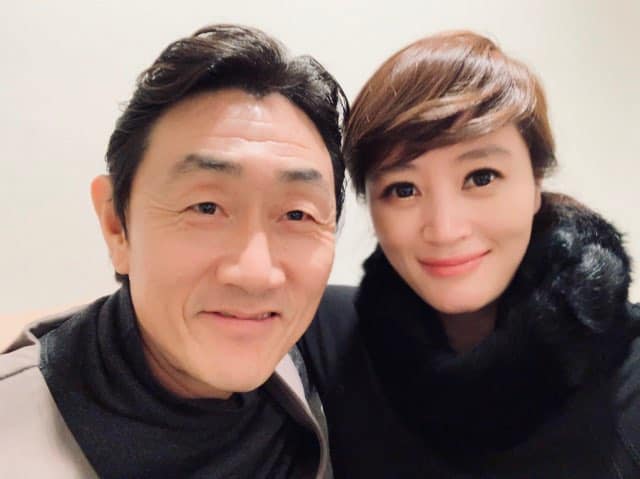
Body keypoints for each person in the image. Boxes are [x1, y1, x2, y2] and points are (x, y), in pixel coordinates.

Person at [0, 24, 347, 478]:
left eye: (298, 214)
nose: (256, 273)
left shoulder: (327, 365)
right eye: (206, 207)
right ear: (116, 226)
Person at [299, 31, 640, 478]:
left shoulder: (629, 366)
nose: (444, 229)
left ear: (535, 184)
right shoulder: (326, 337)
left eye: (481, 177)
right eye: (403, 189)